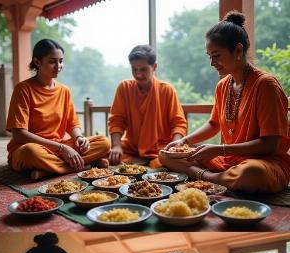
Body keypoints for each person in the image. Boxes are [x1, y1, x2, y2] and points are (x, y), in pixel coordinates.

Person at [160, 11, 290, 194]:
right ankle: (214, 177)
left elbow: (270, 144)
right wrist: (183, 141)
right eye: (209, 56)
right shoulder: (223, 85)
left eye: (216, 55)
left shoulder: (265, 85)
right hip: (229, 161)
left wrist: (219, 149)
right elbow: (213, 124)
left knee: (252, 173)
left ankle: (206, 177)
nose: (212, 63)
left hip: (265, 163)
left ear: (238, 51)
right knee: (166, 155)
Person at [6, 38, 110, 181]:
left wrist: (79, 138)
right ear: (37, 62)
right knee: (30, 152)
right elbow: (19, 134)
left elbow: (72, 124)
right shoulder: (23, 89)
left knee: (104, 142)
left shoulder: (64, 90)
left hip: (59, 148)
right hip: (31, 149)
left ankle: (49, 171)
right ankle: (85, 165)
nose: (58, 66)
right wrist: (62, 148)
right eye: (52, 61)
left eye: (61, 61)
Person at [108, 45, 186, 168]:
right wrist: (116, 146)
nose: (138, 74)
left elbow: (178, 124)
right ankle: (136, 165)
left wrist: (175, 147)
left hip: (159, 150)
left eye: (143, 69)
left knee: (166, 163)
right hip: (131, 150)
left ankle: (145, 166)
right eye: (134, 69)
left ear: (154, 67)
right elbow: (116, 121)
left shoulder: (166, 90)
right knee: (107, 155)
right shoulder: (124, 87)